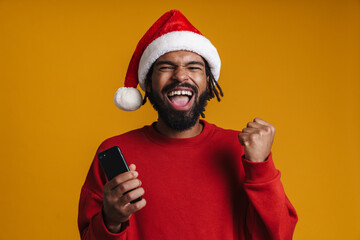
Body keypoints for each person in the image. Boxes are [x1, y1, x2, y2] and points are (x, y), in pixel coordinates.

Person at [78, 9, 298, 240]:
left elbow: (279, 235)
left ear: (209, 83)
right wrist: (111, 221)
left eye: (194, 67)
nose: (181, 76)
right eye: (166, 67)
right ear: (148, 84)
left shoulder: (243, 150)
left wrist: (261, 167)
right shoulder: (115, 150)